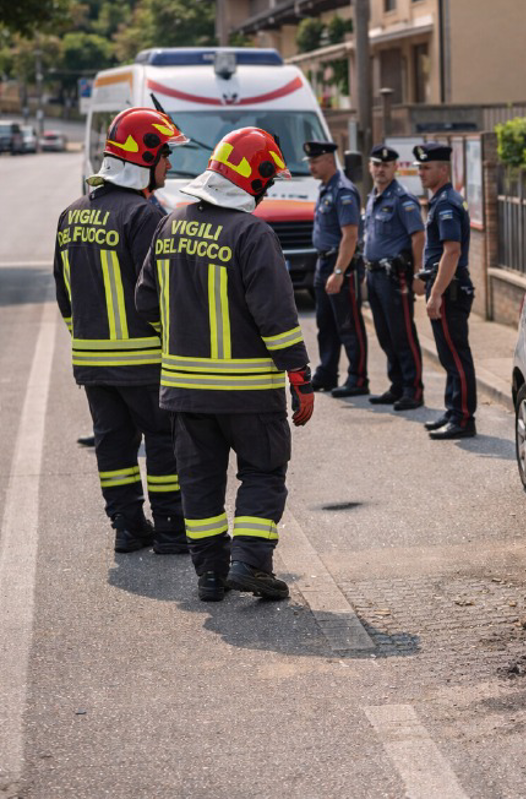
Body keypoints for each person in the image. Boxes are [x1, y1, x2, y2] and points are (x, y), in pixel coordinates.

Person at [134, 127, 314, 602]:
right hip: (249, 393)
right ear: (252, 177)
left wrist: (181, 341)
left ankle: (211, 575)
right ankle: (249, 563)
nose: (267, 190)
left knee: (199, 483)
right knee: (263, 472)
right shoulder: (252, 233)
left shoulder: (170, 224)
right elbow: (277, 318)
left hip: (184, 393)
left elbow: (145, 302)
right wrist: (300, 376)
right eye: (266, 181)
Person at [52, 106, 188, 555]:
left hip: (91, 363)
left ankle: (127, 528)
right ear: (143, 157)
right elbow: (159, 293)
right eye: (165, 153)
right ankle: (171, 529)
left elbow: (65, 296)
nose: (169, 163)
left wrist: (89, 340)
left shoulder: (71, 214)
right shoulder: (142, 216)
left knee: (113, 447)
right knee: (164, 441)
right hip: (145, 361)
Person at [414, 142, 476, 439]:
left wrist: (436, 293)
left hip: (449, 290)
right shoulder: (441, 200)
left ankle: (463, 419)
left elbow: (452, 252)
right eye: (420, 168)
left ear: (443, 169)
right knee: (449, 356)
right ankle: (453, 411)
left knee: (456, 355)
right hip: (444, 286)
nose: (421, 173)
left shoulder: (447, 204)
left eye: (427, 168)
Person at [362, 144, 425, 410]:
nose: (380, 170)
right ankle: (397, 385)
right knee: (385, 334)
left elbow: (418, 237)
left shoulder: (402, 199)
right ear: (370, 167)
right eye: (376, 164)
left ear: (395, 168)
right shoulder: (373, 197)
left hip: (394, 276)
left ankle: (413, 390)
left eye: (386, 166)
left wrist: (418, 274)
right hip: (374, 274)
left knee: (402, 333)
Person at [305, 140, 368, 398]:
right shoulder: (325, 188)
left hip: (341, 263)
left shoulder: (343, 191)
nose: (311, 166)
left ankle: (358, 377)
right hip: (324, 262)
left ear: (330, 160)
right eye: (310, 162)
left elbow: (350, 236)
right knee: (326, 323)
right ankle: (327, 373)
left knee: (348, 324)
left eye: (315, 161)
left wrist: (339, 272)